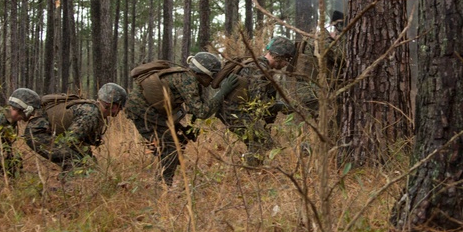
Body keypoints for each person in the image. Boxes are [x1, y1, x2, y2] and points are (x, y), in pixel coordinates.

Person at [125, 52, 239, 185]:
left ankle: (162, 181)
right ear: (203, 73)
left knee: (175, 143)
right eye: (212, 76)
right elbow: (202, 112)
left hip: (148, 111)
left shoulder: (186, 77)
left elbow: (193, 110)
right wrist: (222, 92)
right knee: (171, 147)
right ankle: (163, 185)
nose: (213, 80)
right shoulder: (188, 79)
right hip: (142, 111)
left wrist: (184, 129)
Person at [217, 36, 297, 166]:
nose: (286, 64)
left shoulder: (259, 66)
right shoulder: (259, 69)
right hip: (235, 113)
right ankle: (253, 172)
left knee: (258, 142)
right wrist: (280, 106)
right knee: (265, 142)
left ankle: (254, 170)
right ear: (279, 55)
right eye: (286, 59)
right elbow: (258, 103)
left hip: (235, 112)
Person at [24, 82, 126, 171]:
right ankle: (70, 189)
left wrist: (93, 164)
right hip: (37, 133)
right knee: (74, 161)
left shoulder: (93, 110)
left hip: (40, 131)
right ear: (114, 105)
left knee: (82, 163)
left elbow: (80, 143)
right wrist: (88, 162)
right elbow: (70, 140)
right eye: (120, 106)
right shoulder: (91, 114)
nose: (120, 110)